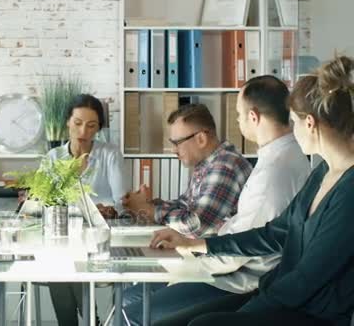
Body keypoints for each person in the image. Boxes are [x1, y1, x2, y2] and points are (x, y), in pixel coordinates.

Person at [150, 56, 354, 326]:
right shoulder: (322, 173)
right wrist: (200, 244)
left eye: (293, 122)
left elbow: (308, 279)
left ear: (310, 124)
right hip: (282, 297)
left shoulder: (349, 191)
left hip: (309, 312)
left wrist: (250, 308)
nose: (290, 131)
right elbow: (275, 233)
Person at [122, 75, 311, 325]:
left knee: (134, 312)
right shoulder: (281, 157)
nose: (237, 121)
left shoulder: (273, 171)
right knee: (131, 299)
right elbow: (242, 226)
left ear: (253, 117)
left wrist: (193, 254)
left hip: (241, 280)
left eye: (238, 115)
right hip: (232, 267)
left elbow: (244, 247)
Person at [47, 94, 127, 326]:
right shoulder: (54, 157)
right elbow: (48, 201)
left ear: (99, 128)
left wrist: (109, 209)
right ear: (67, 123)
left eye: (91, 126)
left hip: (100, 234)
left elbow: (121, 201)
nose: (83, 131)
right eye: (78, 123)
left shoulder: (109, 154)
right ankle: (92, 321)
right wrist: (73, 172)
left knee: (69, 262)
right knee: (59, 263)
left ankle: (92, 320)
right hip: (63, 232)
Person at [123, 103, 252, 238]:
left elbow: (194, 224)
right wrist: (147, 204)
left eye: (177, 143)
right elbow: (184, 205)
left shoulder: (225, 166)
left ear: (201, 139)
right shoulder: (206, 164)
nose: (173, 150)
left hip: (221, 255)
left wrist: (149, 211)